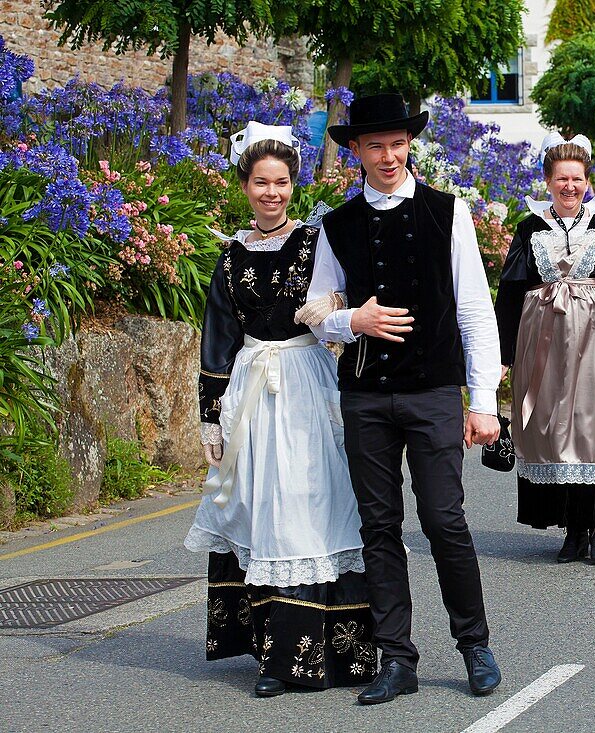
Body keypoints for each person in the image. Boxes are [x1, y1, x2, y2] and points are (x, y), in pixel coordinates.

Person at [307, 94, 502, 704]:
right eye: (374, 146)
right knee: (379, 527)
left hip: (434, 391)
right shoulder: (334, 225)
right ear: (355, 153)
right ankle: (398, 659)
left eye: (396, 144)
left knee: (444, 519)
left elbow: (474, 308)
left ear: (409, 145)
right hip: (365, 397)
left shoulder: (450, 212)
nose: (388, 156)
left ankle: (474, 643)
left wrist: (484, 399)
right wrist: (350, 323)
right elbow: (314, 312)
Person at [185, 122, 375, 698]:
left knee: (312, 503)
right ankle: (275, 656)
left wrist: (334, 303)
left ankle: (334, 652)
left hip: (306, 383)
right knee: (262, 509)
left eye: (283, 182)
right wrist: (211, 417)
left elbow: (348, 291)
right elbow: (217, 338)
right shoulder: (229, 256)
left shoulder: (316, 242)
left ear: (294, 185)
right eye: (262, 183)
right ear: (244, 185)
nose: (272, 192)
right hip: (252, 388)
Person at [495, 133, 595, 565]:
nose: (570, 186)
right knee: (556, 428)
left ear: (587, 180)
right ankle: (571, 529)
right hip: (546, 339)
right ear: (548, 181)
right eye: (561, 179)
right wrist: (501, 356)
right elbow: (510, 291)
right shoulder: (529, 227)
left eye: (577, 178)